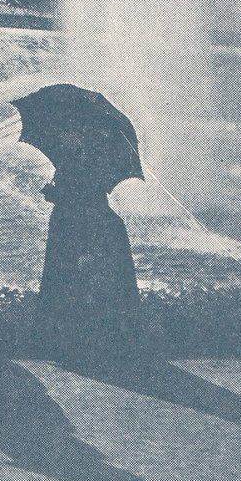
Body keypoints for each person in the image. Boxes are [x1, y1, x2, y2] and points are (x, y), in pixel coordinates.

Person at [34, 157, 142, 369]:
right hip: (80, 225)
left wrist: (55, 194)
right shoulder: (94, 157)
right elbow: (86, 196)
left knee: (73, 285)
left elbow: (79, 198)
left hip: (74, 228)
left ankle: (73, 346)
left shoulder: (76, 158)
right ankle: (100, 346)